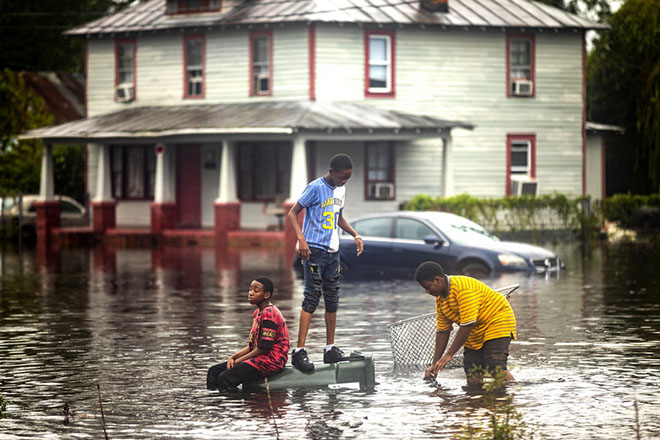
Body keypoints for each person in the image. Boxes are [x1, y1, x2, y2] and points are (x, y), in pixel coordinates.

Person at [287, 153, 364, 372]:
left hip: (333, 251)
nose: (344, 181)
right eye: (342, 177)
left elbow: (338, 217)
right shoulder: (314, 188)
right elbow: (293, 214)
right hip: (313, 249)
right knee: (312, 295)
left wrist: (355, 234)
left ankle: (330, 349)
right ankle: (299, 351)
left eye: (348, 177)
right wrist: (301, 239)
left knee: (333, 298)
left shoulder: (341, 190)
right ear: (331, 172)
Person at [414, 261, 516, 386]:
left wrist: (449, 354)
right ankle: (476, 402)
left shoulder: (462, 289)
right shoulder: (441, 300)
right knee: (472, 371)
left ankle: (514, 394)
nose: (427, 292)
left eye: (428, 287)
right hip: (476, 327)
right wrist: (434, 364)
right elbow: (442, 331)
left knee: (494, 366)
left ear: (438, 280)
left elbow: (467, 325)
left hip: (497, 319)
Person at [206, 277, 290, 391]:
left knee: (225, 378)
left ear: (266, 295)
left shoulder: (269, 314)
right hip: (259, 357)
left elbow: (264, 348)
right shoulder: (257, 313)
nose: (250, 293)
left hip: (271, 361)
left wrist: (238, 362)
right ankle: (215, 405)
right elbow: (253, 346)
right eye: (250, 289)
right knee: (214, 371)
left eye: (256, 291)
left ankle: (234, 405)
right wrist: (233, 357)